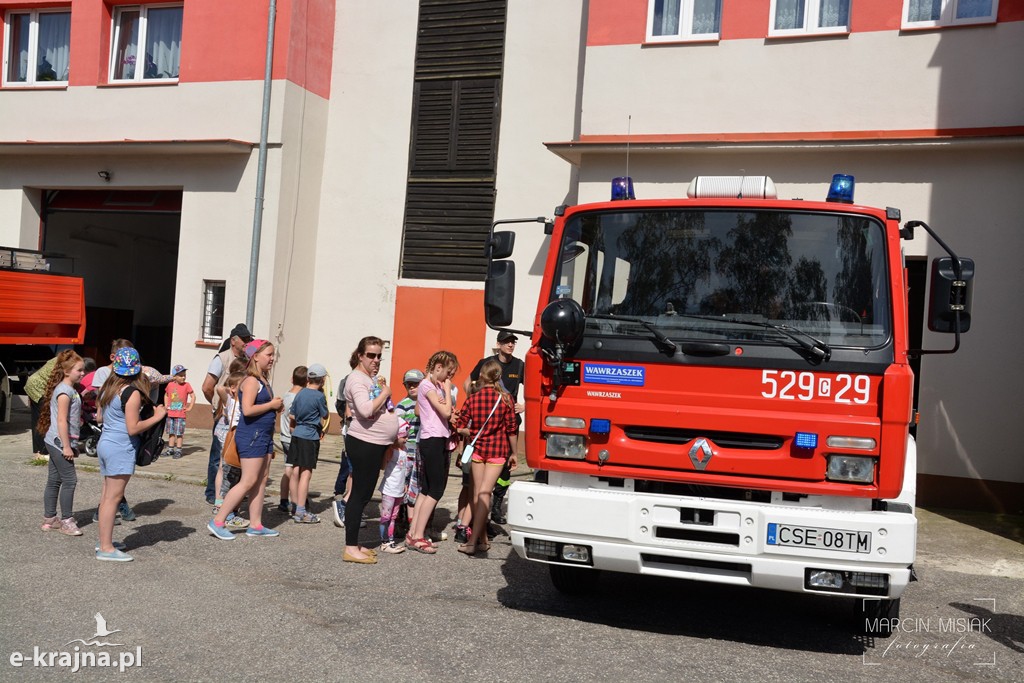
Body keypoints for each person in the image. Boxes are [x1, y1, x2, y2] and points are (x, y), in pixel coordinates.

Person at [95, 348, 167, 561]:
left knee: (107, 496)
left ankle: (104, 542)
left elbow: (100, 418)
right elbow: (133, 428)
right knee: (113, 498)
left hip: (106, 443)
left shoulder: (108, 387)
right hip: (120, 447)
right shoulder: (131, 393)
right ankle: (107, 548)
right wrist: (158, 416)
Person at [208, 340, 283, 540]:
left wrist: (274, 406)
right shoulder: (251, 381)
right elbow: (247, 410)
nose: (272, 358)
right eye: (269, 354)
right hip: (252, 436)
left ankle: (256, 524)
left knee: (260, 480)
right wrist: (271, 405)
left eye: (273, 354)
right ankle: (218, 521)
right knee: (248, 480)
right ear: (255, 356)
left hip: (263, 436)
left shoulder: (263, 380)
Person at [341, 336, 400, 564]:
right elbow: (365, 410)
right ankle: (349, 547)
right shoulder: (357, 380)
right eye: (371, 355)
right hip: (364, 443)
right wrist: (385, 392)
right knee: (358, 496)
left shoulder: (369, 378)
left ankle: (355, 543)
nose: (376, 360)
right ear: (360, 356)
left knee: (364, 495)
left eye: (379, 356)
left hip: (374, 443)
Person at [455, 360, 518, 555]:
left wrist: (472, 432)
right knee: (485, 494)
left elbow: (460, 425)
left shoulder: (473, 398)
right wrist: (514, 453)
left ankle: (479, 540)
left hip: (478, 451)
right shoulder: (506, 399)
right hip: (498, 452)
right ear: (499, 376)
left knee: (477, 495)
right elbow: (511, 429)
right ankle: (476, 541)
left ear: (482, 375)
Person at [464, 330, 525, 526]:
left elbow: (535, 389)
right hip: (487, 423)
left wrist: (526, 405)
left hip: (508, 423)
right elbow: (468, 381)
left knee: (505, 470)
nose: (510, 345)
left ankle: (496, 506)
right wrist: (474, 399)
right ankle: (479, 520)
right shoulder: (487, 363)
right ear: (498, 344)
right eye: (507, 342)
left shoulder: (519, 365)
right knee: (479, 480)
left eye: (513, 342)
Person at [406, 350, 460, 554]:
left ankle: (414, 533)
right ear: (438, 368)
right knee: (436, 489)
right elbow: (446, 412)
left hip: (432, 438)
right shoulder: (428, 385)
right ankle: (418, 536)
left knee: (426, 489)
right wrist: (446, 389)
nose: (449, 378)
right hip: (433, 439)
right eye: (448, 373)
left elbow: (421, 410)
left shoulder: (429, 386)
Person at [201, 323, 252, 504]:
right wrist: (218, 406)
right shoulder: (221, 359)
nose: (247, 342)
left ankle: (230, 492)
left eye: (248, 339)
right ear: (233, 341)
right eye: (244, 339)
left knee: (234, 456)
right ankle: (212, 493)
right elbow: (207, 387)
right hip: (223, 416)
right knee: (218, 458)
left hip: (239, 416)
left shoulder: (247, 359)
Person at [38, 350, 86, 536]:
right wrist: (66, 446)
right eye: (79, 370)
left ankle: (49, 519)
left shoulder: (69, 390)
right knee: (70, 480)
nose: (83, 373)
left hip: (55, 440)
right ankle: (67, 521)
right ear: (66, 371)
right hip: (59, 442)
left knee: (54, 480)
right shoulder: (65, 392)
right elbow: (61, 421)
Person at [288, 363, 329, 524]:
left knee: (295, 470)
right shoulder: (319, 396)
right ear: (322, 380)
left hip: (297, 434)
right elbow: (324, 414)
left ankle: (295, 505)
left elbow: (292, 414)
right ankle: (301, 511)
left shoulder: (300, 393)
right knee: (306, 473)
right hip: (310, 436)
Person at [212, 371, 250, 532]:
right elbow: (220, 388)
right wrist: (232, 389)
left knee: (239, 476)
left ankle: (232, 511)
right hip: (233, 440)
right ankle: (226, 514)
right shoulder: (231, 402)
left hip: (243, 439)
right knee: (231, 475)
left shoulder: (245, 401)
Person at [395, 369, 423, 539]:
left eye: (416, 384)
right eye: (409, 384)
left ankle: (416, 521)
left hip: (420, 452)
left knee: (416, 486)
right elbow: (397, 428)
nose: (412, 387)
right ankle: (400, 519)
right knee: (401, 485)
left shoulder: (427, 402)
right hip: (406, 452)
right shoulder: (402, 405)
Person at [378, 417, 411, 553]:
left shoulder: (404, 450)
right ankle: (384, 541)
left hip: (398, 489)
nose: (406, 439)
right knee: (386, 516)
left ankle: (390, 540)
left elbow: (404, 470)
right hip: (389, 489)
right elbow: (383, 466)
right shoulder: (391, 451)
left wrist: (404, 483)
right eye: (404, 436)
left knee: (393, 517)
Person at [277, 366, 307, 515]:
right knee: (295, 470)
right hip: (293, 437)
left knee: (288, 467)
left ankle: (283, 500)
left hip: (283, 436)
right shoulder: (299, 399)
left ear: (291, 379)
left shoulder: (286, 394)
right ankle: (296, 502)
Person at [25, 356, 59, 458]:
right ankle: (42, 451)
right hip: (39, 388)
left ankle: (38, 451)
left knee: (37, 419)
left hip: (33, 384)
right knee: (43, 419)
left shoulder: (60, 359)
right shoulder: (66, 365)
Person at [163, 365, 195, 459]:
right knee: (171, 432)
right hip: (171, 413)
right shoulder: (170, 385)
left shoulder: (187, 385)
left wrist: (190, 407)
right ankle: (170, 449)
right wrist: (166, 405)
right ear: (174, 377)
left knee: (179, 433)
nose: (183, 377)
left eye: (184, 375)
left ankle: (179, 450)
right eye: (181, 375)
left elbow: (193, 396)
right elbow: (166, 395)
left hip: (180, 415)